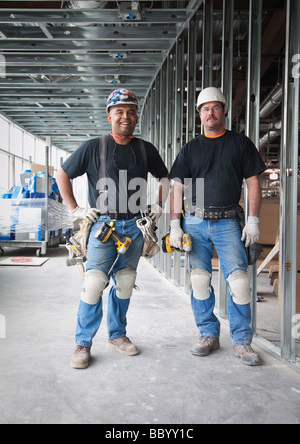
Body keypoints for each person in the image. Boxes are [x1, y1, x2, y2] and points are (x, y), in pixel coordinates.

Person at [56, 89, 169, 368]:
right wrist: (76, 209)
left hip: (134, 225)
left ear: (136, 116)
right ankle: (83, 344)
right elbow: (62, 173)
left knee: (125, 282)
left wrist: (158, 204)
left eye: (131, 111)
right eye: (119, 111)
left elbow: (166, 177)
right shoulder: (93, 147)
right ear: (109, 116)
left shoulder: (145, 149)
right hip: (103, 226)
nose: (125, 116)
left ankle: (117, 335)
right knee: (93, 284)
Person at [169, 87, 266, 366]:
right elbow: (178, 188)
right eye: (204, 109)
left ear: (224, 111)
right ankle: (208, 334)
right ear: (199, 114)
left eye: (215, 107)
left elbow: (253, 183)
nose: (210, 113)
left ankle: (241, 341)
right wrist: (175, 224)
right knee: (199, 281)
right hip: (195, 222)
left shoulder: (240, 143)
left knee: (240, 283)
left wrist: (254, 220)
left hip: (227, 222)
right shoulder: (190, 148)